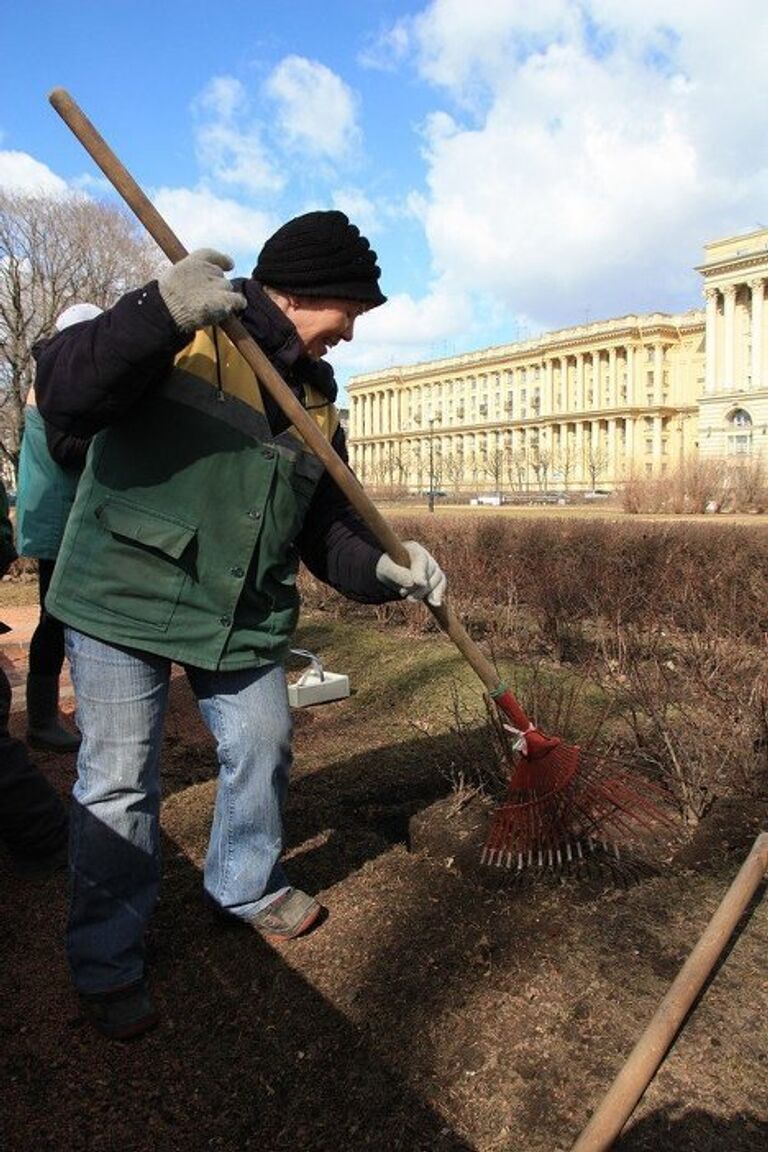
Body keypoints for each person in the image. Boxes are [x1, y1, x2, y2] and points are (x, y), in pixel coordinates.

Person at [35, 210, 447, 1040]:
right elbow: (64, 390)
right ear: (303, 294)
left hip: (240, 612)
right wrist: (153, 310)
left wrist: (383, 568)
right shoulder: (189, 329)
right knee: (118, 781)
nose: (353, 335)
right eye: (352, 313)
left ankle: (243, 883)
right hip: (127, 592)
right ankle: (108, 957)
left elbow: (328, 526)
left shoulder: (318, 403)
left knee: (264, 740)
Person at [16, 304, 102, 752]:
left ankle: (47, 717)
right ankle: (44, 720)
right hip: (59, 514)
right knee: (58, 618)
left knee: (59, 616)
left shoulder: (52, 371)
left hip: (54, 511)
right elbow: (68, 451)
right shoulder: (60, 378)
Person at [0, 477, 69, 873]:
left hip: (71, 520)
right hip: (63, 520)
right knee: (56, 622)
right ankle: (44, 834)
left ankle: (45, 833)